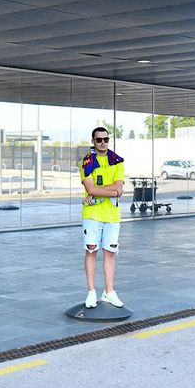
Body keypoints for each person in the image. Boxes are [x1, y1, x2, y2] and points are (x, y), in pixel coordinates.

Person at [80, 126, 125, 308]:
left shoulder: (117, 161)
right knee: (91, 250)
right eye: (99, 140)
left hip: (112, 216)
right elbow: (90, 188)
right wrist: (111, 190)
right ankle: (91, 292)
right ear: (93, 141)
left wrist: (98, 193)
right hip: (92, 215)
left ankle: (109, 292)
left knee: (110, 253)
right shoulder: (87, 162)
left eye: (106, 139)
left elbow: (120, 188)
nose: (103, 143)